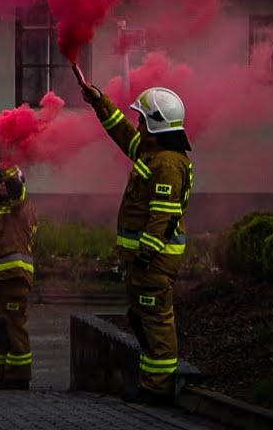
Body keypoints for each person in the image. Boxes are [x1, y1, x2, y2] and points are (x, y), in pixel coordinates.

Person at [79, 79, 194, 406]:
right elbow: (122, 133)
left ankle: (157, 390)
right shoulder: (153, 152)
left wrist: (145, 253)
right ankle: (151, 382)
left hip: (153, 260)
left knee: (155, 321)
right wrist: (98, 101)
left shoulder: (168, 164)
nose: (138, 124)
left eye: (143, 119)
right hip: (145, 261)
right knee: (142, 318)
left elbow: (164, 216)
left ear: (156, 122)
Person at [0, 165, 38, 391]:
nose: (1, 184)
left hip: (14, 278)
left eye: (5, 180)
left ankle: (19, 376)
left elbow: (16, 191)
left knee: (13, 325)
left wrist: (6, 163)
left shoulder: (21, 206)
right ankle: (1, 375)